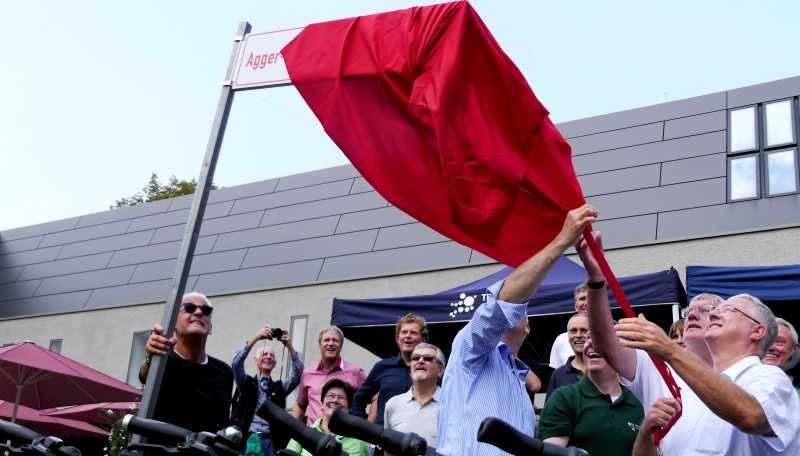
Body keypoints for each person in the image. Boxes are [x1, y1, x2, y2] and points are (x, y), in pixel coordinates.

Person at [437, 204, 597, 456]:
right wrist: (562, 239)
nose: (518, 306)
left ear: (527, 327)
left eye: (524, 309)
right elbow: (504, 304)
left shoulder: (521, 390)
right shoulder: (470, 350)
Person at [619, 294, 800, 456]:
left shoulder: (773, 379)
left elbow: (751, 417)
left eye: (728, 310)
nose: (712, 315)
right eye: (715, 311)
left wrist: (670, 350)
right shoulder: (694, 391)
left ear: (757, 331)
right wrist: (646, 433)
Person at [139, 292, 233, 434]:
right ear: (174, 324)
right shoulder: (162, 359)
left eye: (206, 310)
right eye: (189, 308)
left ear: (211, 328)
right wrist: (150, 357)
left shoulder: (224, 371)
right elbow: (145, 374)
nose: (199, 312)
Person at [538, 336, 643, 456]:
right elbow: (551, 453)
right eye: (588, 338)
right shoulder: (564, 398)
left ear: (625, 352)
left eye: (601, 337)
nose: (591, 343)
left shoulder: (637, 405)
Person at [231, 325, 304, 456]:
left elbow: (299, 375)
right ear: (256, 360)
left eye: (271, 355)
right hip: (248, 439)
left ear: (275, 364)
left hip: (272, 443)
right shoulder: (246, 383)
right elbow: (236, 363)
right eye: (265, 354)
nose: (268, 357)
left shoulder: (279, 387)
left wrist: (290, 346)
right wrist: (257, 337)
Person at [352, 313, 428, 434]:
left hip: (419, 438)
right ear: (398, 338)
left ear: (423, 339)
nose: (408, 336)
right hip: (384, 439)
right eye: (404, 332)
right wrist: (365, 429)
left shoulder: (430, 368)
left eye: (413, 333)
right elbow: (359, 398)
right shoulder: (382, 367)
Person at [292, 326, 366, 425]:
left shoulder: (356, 373)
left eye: (335, 340)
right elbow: (301, 405)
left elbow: (375, 400)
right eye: (326, 340)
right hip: (313, 433)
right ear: (320, 346)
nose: (330, 343)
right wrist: (290, 430)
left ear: (341, 346)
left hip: (343, 433)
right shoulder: (307, 373)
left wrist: (367, 430)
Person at [384, 343, 445, 453]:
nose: (420, 361)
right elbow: (388, 450)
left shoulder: (451, 406)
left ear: (440, 370)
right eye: (415, 358)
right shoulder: (393, 404)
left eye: (428, 358)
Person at [286, 379, 369, 456]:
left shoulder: (359, 441)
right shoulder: (302, 433)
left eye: (341, 397)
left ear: (349, 407)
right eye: (330, 396)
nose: (335, 400)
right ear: (322, 403)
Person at [545, 314, 588, 402]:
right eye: (573, 331)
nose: (578, 335)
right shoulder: (558, 375)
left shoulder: (604, 369)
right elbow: (550, 409)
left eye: (584, 330)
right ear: (568, 337)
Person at [549, 283, 588, 368]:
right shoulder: (561, 340)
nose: (587, 303)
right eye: (582, 299)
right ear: (576, 306)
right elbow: (557, 373)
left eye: (592, 298)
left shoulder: (613, 335)